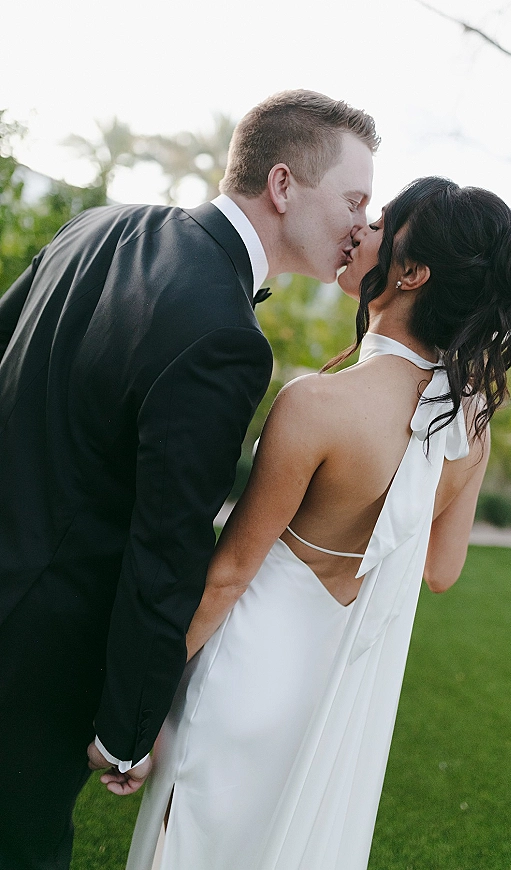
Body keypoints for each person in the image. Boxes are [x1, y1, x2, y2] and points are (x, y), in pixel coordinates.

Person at [126, 176, 511, 870]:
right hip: (327, 706)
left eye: (383, 224)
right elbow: (441, 572)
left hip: (242, 678)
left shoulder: (318, 404)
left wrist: (134, 711)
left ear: (413, 272)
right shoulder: (467, 434)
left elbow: (229, 574)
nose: (362, 230)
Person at [0, 90, 378, 870]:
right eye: (355, 199)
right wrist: (128, 725)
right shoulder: (225, 337)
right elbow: (166, 542)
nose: (359, 226)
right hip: (36, 662)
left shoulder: (92, 227)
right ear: (283, 185)